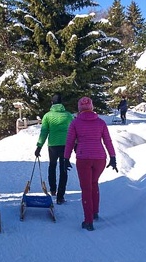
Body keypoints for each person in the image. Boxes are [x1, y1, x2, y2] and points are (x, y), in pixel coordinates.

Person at [64, 96, 117, 231]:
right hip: (100, 158)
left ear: (79, 108)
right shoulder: (100, 123)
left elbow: (70, 142)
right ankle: (94, 212)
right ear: (92, 107)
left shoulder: (75, 123)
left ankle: (88, 221)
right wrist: (113, 157)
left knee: (86, 188)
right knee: (94, 183)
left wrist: (66, 158)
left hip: (83, 158)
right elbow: (108, 141)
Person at [34, 93, 74, 204]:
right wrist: (75, 145)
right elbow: (73, 131)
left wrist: (39, 147)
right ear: (61, 103)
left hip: (53, 145)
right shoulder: (68, 115)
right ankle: (60, 196)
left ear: (52, 103)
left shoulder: (47, 116)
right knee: (63, 169)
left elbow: (44, 132)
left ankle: (52, 189)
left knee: (52, 166)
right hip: (66, 145)